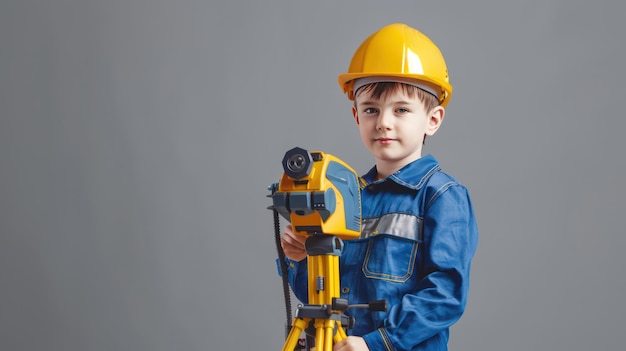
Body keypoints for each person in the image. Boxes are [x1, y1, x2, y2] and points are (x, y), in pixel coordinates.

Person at [280, 23, 479, 351]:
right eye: (371, 109)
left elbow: (444, 296)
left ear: (433, 119)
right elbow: (323, 299)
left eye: (401, 110)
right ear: (357, 116)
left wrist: (378, 343)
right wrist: (303, 259)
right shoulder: (346, 198)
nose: (384, 121)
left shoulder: (442, 197)